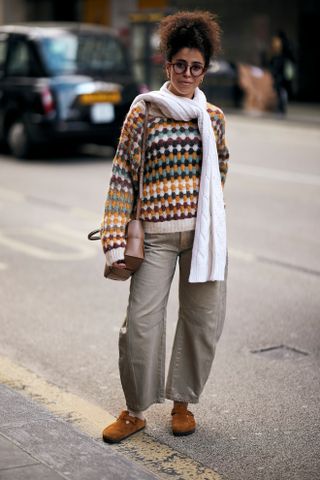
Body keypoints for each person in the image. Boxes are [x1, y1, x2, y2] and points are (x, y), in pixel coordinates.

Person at [100, 10, 229, 443]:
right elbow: (122, 174)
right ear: (166, 65)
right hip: (154, 237)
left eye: (196, 67)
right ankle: (134, 411)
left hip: (203, 240)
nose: (188, 74)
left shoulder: (212, 117)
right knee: (140, 324)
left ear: (204, 68)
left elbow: (220, 170)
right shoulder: (145, 112)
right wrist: (115, 236)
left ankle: (182, 404)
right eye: (180, 65)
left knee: (201, 322)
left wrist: (211, 217)